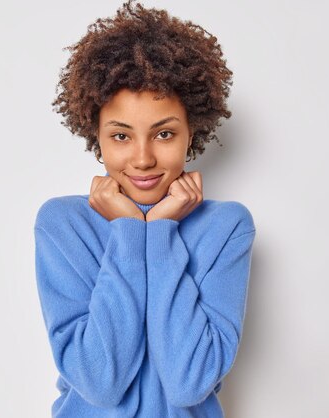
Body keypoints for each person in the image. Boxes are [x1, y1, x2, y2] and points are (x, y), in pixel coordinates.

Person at [33, 0, 256, 416]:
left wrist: (159, 231)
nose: (142, 158)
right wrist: (130, 230)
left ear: (192, 134)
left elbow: (189, 382)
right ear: (95, 136)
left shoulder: (227, 227)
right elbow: (100, 382)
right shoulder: (63, 224)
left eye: (164, 133)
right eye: (120, 136)